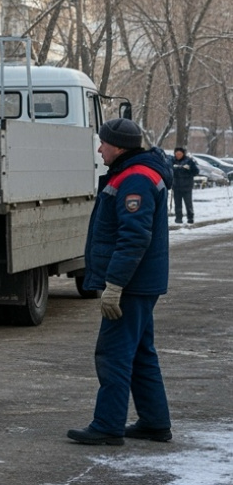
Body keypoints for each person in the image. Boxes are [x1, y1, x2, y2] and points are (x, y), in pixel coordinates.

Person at [67, 118, 173, 446]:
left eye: (104, 143)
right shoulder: (135, 173)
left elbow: (133, 237)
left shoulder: (136, 178)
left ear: (120, 147)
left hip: (132, 285)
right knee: (141, 352)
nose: (100, 148)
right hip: (140, 283)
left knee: (113, 353)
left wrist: (114, 284)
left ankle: (108, 426)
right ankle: (155, 423)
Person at [169, 147, 196, 224]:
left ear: (183, 154)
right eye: (176, 154)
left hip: (187, 186)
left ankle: (190, 218)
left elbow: (196, 171)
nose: (178, 155)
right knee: (177, 204)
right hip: (176, 186)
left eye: (180, 154)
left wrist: (189, 169)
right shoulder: (172, 161)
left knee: (188, 203)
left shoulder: (189, 161)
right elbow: (169, 171)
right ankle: (178, 219)